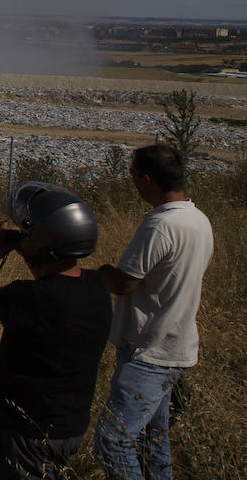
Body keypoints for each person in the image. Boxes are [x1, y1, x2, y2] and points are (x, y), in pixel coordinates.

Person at [0, 186, 111, 480]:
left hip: (27, 434)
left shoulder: (27, 297)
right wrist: (30, 246)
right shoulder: (98, 287)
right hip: (71, 428)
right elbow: (54, 280)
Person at [95, 144, 214, 480]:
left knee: (113, 440)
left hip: (150, 352)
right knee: (153, 440)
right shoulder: (199, 219)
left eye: (133, 175)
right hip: (176, 346)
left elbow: (124, 283)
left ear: (146, 179)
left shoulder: (160, 226)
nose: (133, 183)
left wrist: (101, 273)